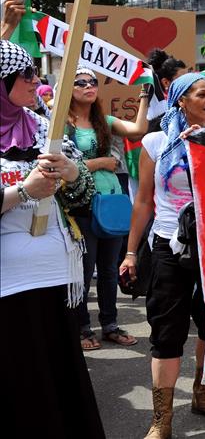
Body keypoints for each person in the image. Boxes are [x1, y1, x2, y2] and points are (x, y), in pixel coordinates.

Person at [120, 73, 205, 438]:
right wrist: (130, 253)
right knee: (167, 333)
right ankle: (161, 419)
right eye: (201, 94)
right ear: (181, 100)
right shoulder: (155, 143)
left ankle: (203, 394)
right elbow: (142, 203)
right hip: (169, 247)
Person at [1, 40, 104, 438]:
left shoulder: (43, 124)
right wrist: (23, 192)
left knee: (59, 375)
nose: (34, 80)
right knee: (22, 380)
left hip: (56, 274)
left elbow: (85, 190)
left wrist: (72, 173)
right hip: (9, 284)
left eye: (33, 72)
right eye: (24, 75)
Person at [68, 67, 149, 351]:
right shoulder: (62, 125)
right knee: (84, 269)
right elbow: (62, 165)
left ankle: (110, 325)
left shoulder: (105, 120)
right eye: (80, 82)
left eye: (93, 82)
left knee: (109, 270)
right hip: (81, 206)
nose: (89, 86)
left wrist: (144, 95)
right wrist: (100, 163)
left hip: (111, 202)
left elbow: (138, 130)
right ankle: (82, 328)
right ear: (69, 86)